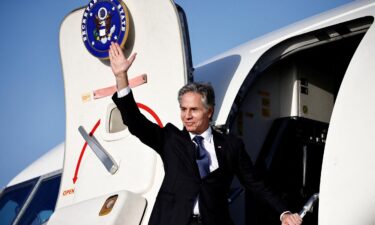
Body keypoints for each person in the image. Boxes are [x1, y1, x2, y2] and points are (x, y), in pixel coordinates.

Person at [108, 42, 302, 225]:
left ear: (209, 111)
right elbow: (135, 122)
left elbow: (256, 183)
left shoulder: (231, 146)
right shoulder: (170, 139)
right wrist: (121, 78)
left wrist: (283, 212)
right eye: (183, 109)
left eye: (194, 110)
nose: (187, 116)